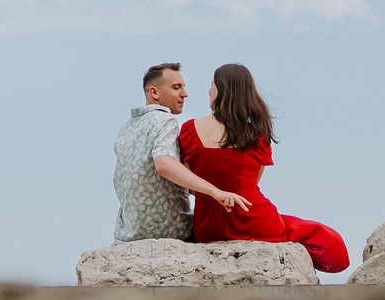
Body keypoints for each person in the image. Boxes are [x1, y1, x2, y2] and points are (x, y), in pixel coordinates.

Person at [176, 62, 349, 273]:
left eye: (212, 84)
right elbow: (253, 183)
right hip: (254, 221)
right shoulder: (256, 133)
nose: (209, 90)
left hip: (207, 227)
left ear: (221, 89)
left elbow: (190, 185)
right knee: (322, 237)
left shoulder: (189, 130)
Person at [113, 61, 250, 242]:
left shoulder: (126, 128)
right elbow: (163, 164)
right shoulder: (165, 120)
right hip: (169, 230)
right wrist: (215, 191)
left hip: (128, 234)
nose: (184, 94)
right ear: (154, 92)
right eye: (176, 88)